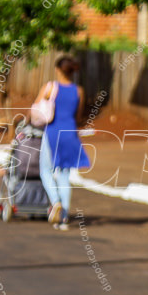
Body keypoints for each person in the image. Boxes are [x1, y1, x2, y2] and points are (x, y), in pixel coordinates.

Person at [35, 56, 89, 230]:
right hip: (70, 134)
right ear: (72, 71)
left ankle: (56, 202)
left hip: (52, 133)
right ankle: (63, 219)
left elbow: (36, 109)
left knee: (45, 170)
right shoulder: (79, 91)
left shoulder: (50, 88)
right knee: (64, 176)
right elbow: (78, 117)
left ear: (58, 70)